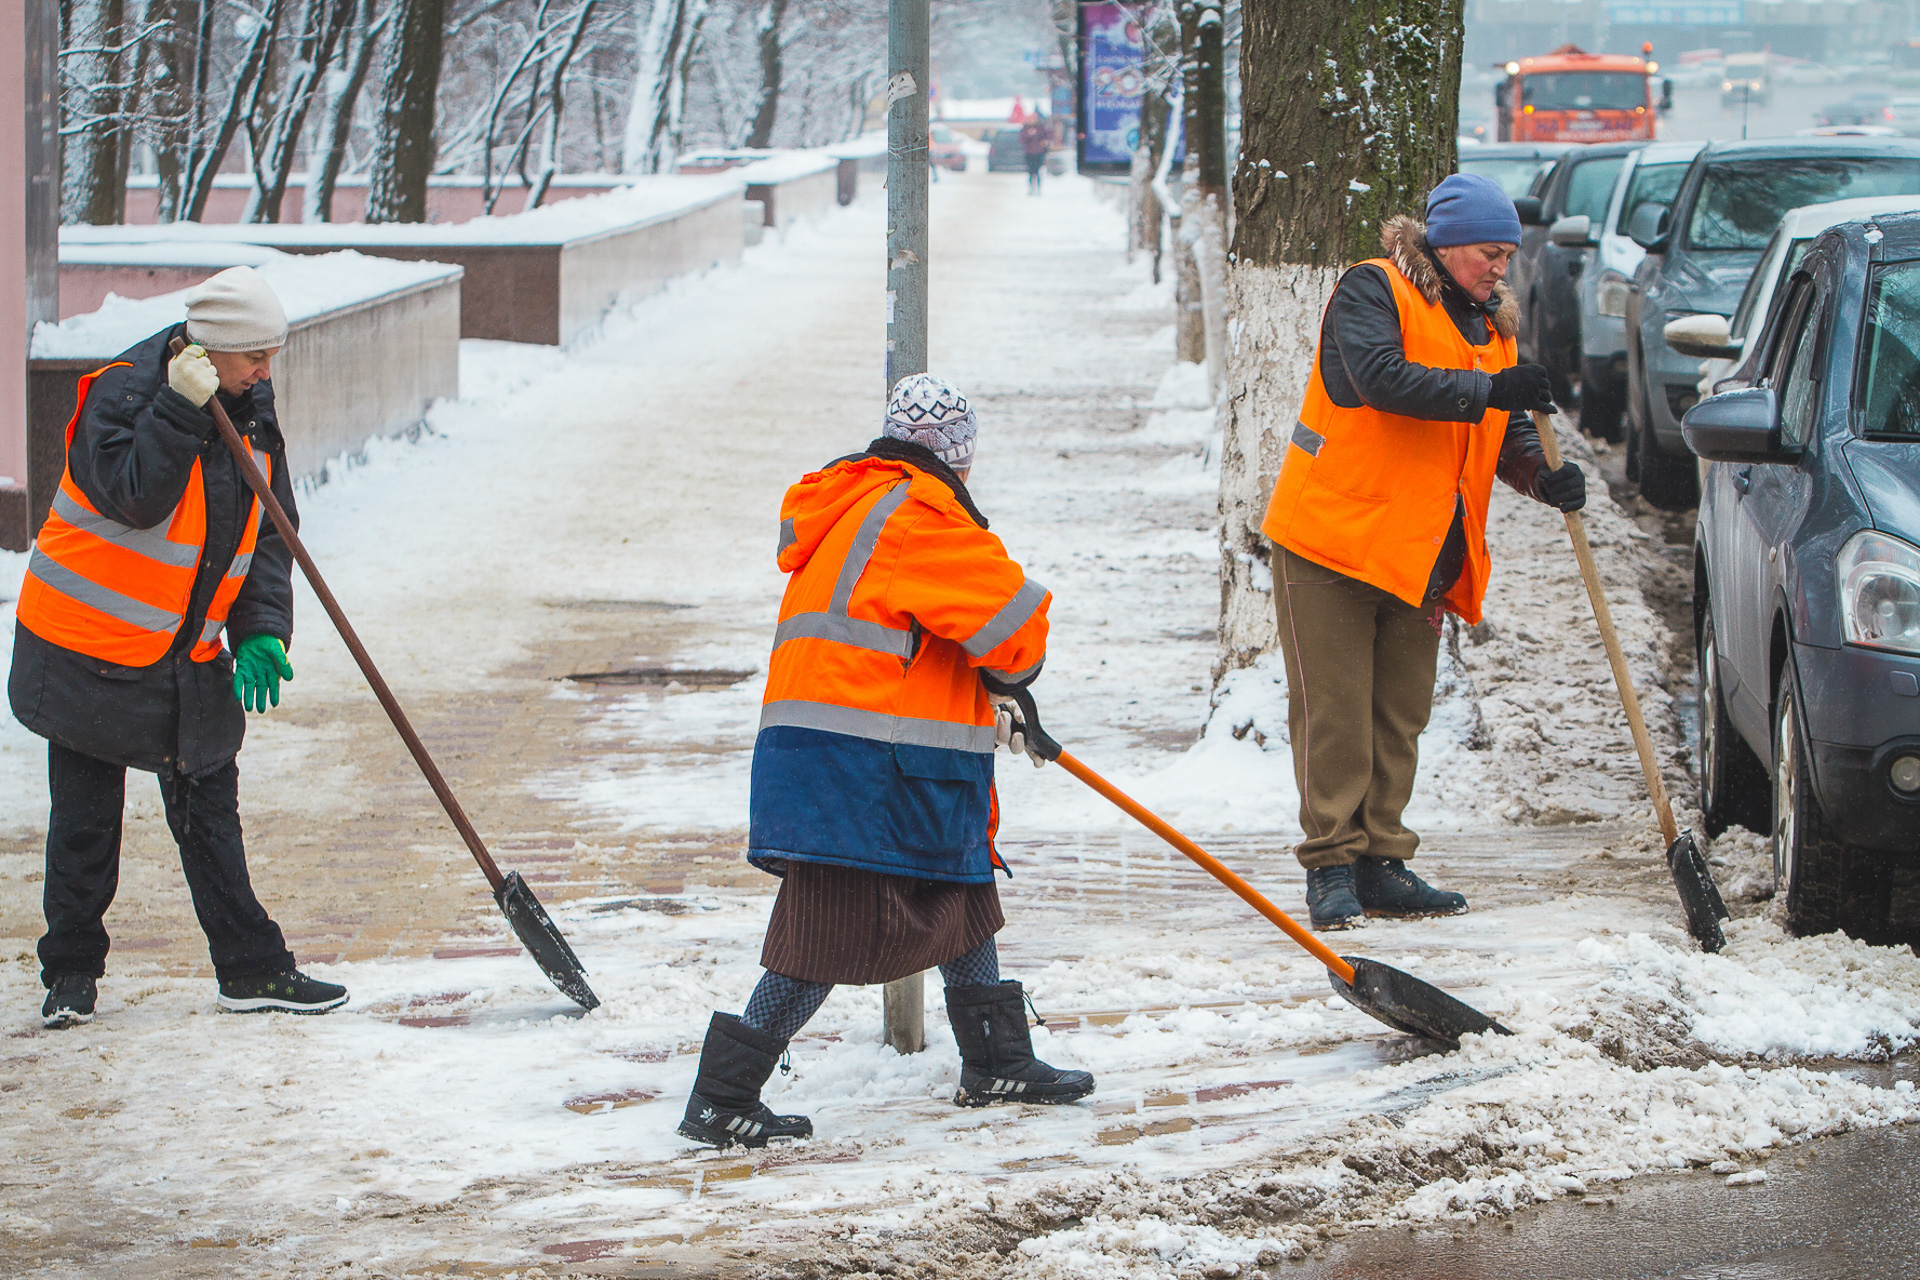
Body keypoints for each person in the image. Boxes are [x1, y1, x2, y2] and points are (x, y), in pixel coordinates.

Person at [678, 373, 1094, 1149]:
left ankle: (998, 1060)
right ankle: (721, 1095)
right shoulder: (920, 519)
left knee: (959, 890)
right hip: (862, 771)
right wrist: (1005, 677)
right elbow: (1017, 636)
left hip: (845, 758)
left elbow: (903, 638)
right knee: (825, 936)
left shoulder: (855, 507)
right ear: (958, 460)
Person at [10, 265, 348, 1027]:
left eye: (271, 355)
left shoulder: (250, 406)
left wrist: (261, 628)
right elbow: (135, 496)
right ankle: (69, 976)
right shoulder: (125, 394)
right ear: (212, 348)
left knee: (210, 811)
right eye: (255, 355)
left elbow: (269, 528)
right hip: (86, 648)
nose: (268, 371)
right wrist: (178, 409)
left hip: (181, 653)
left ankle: (254, 970)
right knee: (86, 822)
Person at [1259, 173, 1587, 932]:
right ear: (1443, 244)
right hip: (1336, 541)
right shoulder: (1372, 290)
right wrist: (1493, 391)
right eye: (1486, 251)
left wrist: (1543, 477)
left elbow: (1499, 435)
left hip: (1426, 552)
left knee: (1398, 715)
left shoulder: (1492, 328)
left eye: (1507, 254)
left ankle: (1382, 861)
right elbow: (1382, 380)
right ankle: (1332, 867)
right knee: (1334, 714)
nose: (1500, 267)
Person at [1019, 114, 1051, 195]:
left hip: (1039, 152)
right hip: (1029, 153)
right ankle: (1031, 188)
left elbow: (1047, 136)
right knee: (1030, 172)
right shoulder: (1025, 128)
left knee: (1038, 171)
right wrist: (1029, 134)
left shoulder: (1041, 127)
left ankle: (1039, 189)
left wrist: (1045, 142)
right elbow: (1022, 139)